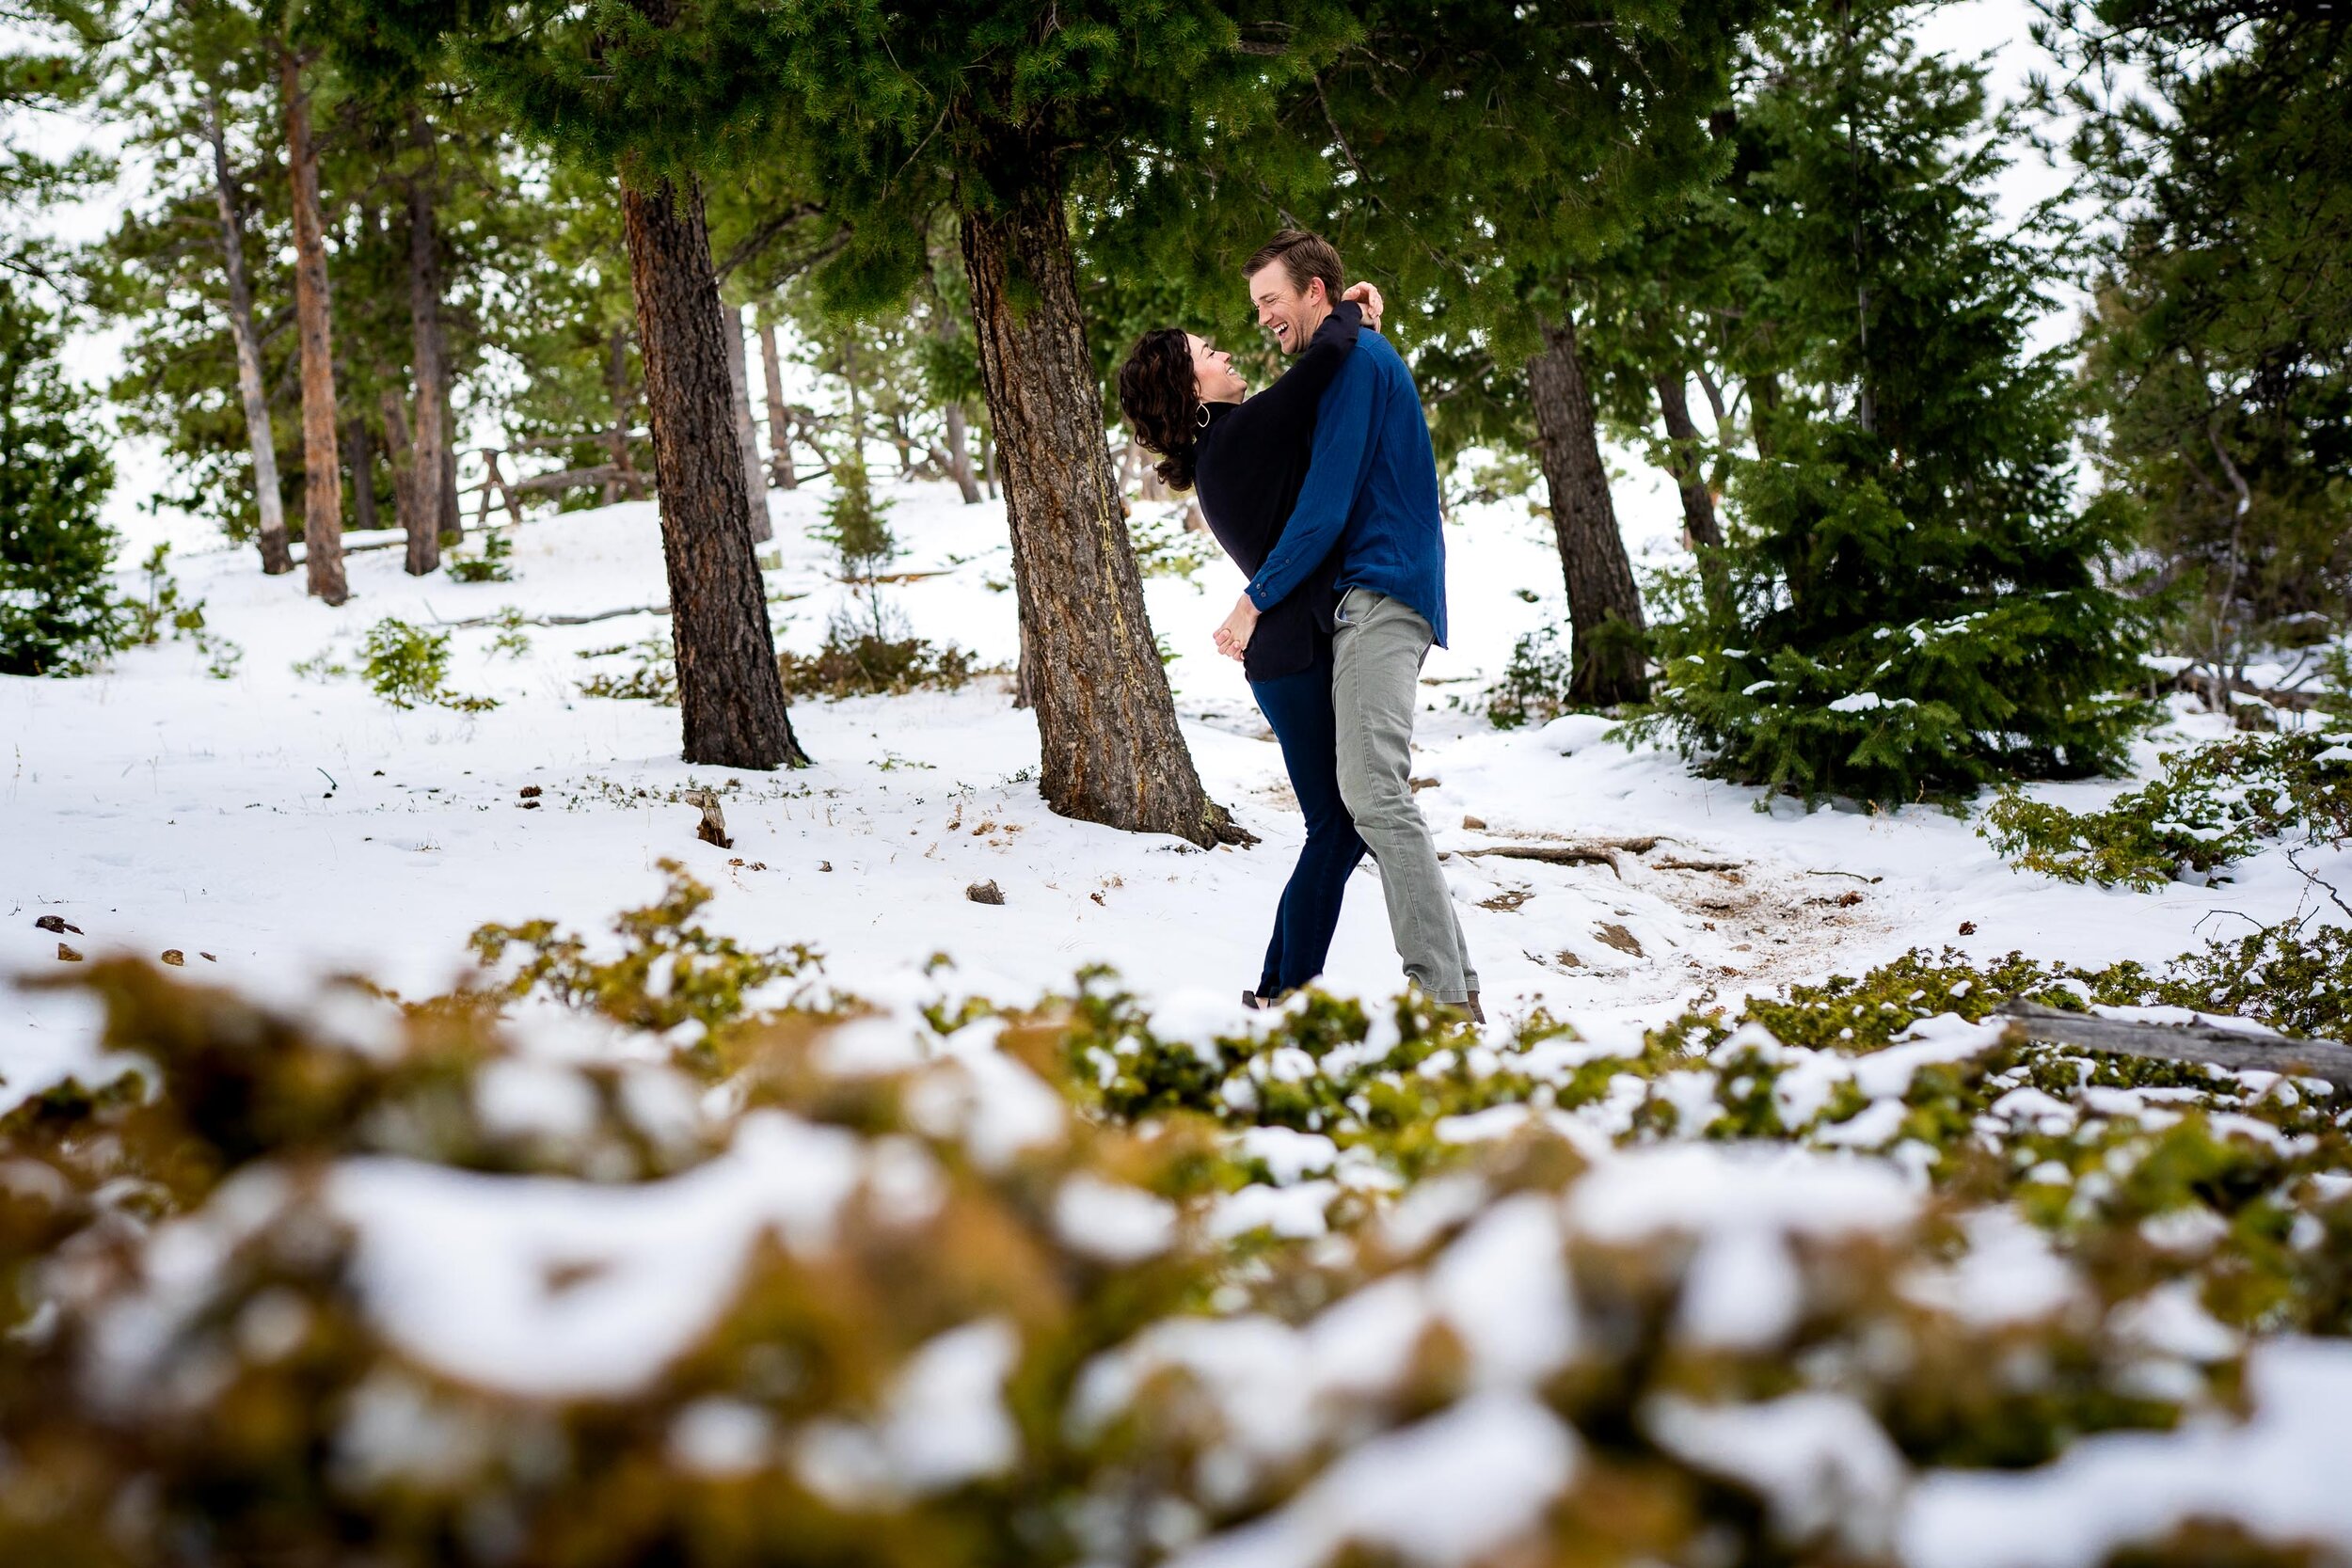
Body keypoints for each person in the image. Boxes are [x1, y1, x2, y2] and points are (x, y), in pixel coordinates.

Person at [1213, 230, 1481, 1022]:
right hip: (1373, 594)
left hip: (1380, 594)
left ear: (1315, 294)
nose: (1261, 318)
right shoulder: (1351, 354)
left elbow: (1324, 508)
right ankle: (1454, 991)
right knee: (1373, 792)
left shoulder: (1358, 363)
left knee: (1372, 792)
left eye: (1270, 300)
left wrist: (1252, 599)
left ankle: (1440, 997)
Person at [1116, 275, 1388, 1007]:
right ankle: (1286, 990)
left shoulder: (1229, 445)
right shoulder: (1233, 440)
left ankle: (1276, 985)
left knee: (1337, 825)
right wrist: (1348, 308)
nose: (1226, 349)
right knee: (1337, 825)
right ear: (1188, 391)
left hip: (1288, 653)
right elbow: (1319, 368)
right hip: (1289, 658)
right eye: (1207, 351)